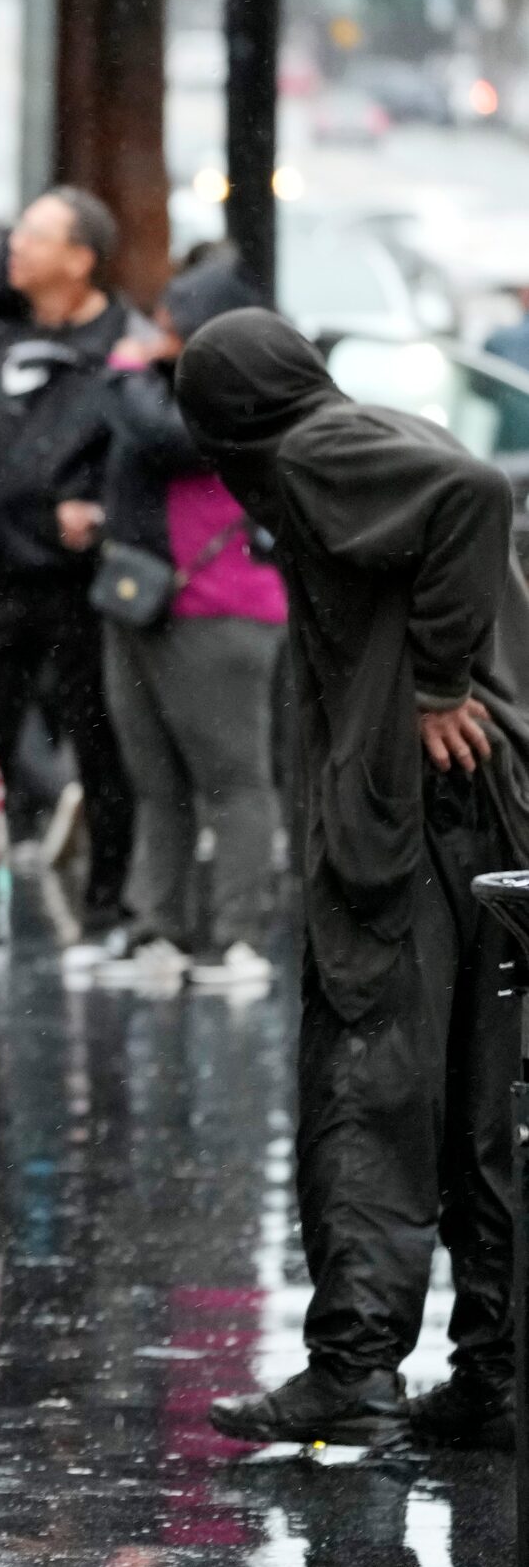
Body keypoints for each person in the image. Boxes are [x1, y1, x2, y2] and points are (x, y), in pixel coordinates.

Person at [180, 308, 527, 1452]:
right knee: (487, 1103)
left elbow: (474, 493)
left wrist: (431, 685)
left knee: (368, 1084)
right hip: (484, 807)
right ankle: (493, 1374)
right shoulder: (361, 428)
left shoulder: (308, 452)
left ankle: (353, 1371)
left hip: (409, 813)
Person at [0, 186, 140, 948]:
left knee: (101, 744)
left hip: (81, 584)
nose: (15, 249)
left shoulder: (123, 347)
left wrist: (99, 511)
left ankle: (106, 908)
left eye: (35, 237)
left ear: (80, 258)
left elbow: (147, 449)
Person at [95, 257, 285, 993]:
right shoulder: (152, 385)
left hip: (221, 609)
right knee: (156, 779)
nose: (157, 337)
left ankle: (239, 938)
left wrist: (123, 372)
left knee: (233, 779)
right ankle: (159, 930)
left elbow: (163, 438)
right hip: (143, 601)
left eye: (174, 326)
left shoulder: (239, 396)